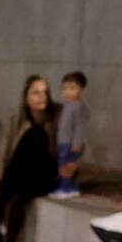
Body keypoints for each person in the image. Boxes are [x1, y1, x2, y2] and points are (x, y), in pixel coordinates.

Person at [0, 75, 59, 242]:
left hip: (43, 177)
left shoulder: (56, 118)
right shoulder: (17, 121)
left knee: (18, 199)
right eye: (36, 92)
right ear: (26, 97)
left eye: (45, 92)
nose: (42, 97)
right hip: (19, 175)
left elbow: (61, 152)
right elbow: (3, 153)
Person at [48, 70, 89, 199]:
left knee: (66, 167)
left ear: (81, 89)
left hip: (70, 143)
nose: (68, 91)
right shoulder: (68, 105)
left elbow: (79, 126)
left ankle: (65, 189)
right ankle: (72, 188)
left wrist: (77, 143)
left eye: (72, 88)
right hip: (64, 142)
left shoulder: (78, 107)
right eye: (65, 88)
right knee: (67, 165)